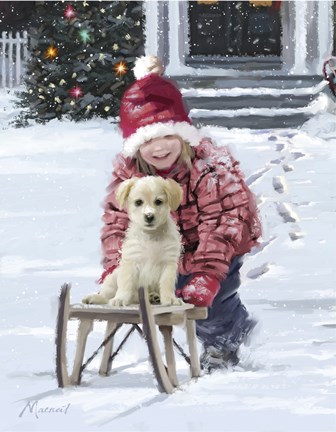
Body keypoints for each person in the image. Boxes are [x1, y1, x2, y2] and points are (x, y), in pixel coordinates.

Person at [99, 55, 262, 372]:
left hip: (219, 244)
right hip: (166, 247)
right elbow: (117, 224)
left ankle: (224, 342)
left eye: (166, 135)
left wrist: (207, 273)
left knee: (211, 302)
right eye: (147, 141)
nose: (158, 148)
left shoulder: (208, 168)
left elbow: (222, 223)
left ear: (183, 133)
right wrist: (117, 268)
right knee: (170, 292)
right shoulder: (129, 176)